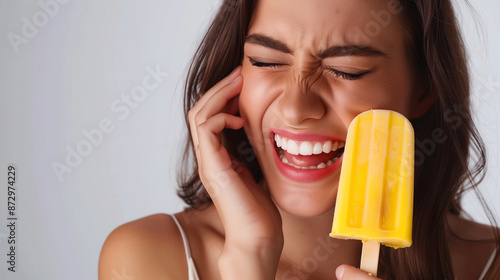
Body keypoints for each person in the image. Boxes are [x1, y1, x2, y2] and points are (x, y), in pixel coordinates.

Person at [98, 0, 500, 279]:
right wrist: (251, 258)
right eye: (266, 61)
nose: (295, 107)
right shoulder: (147, 258)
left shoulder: (491, 264)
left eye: (348, 69)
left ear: (424, 88)